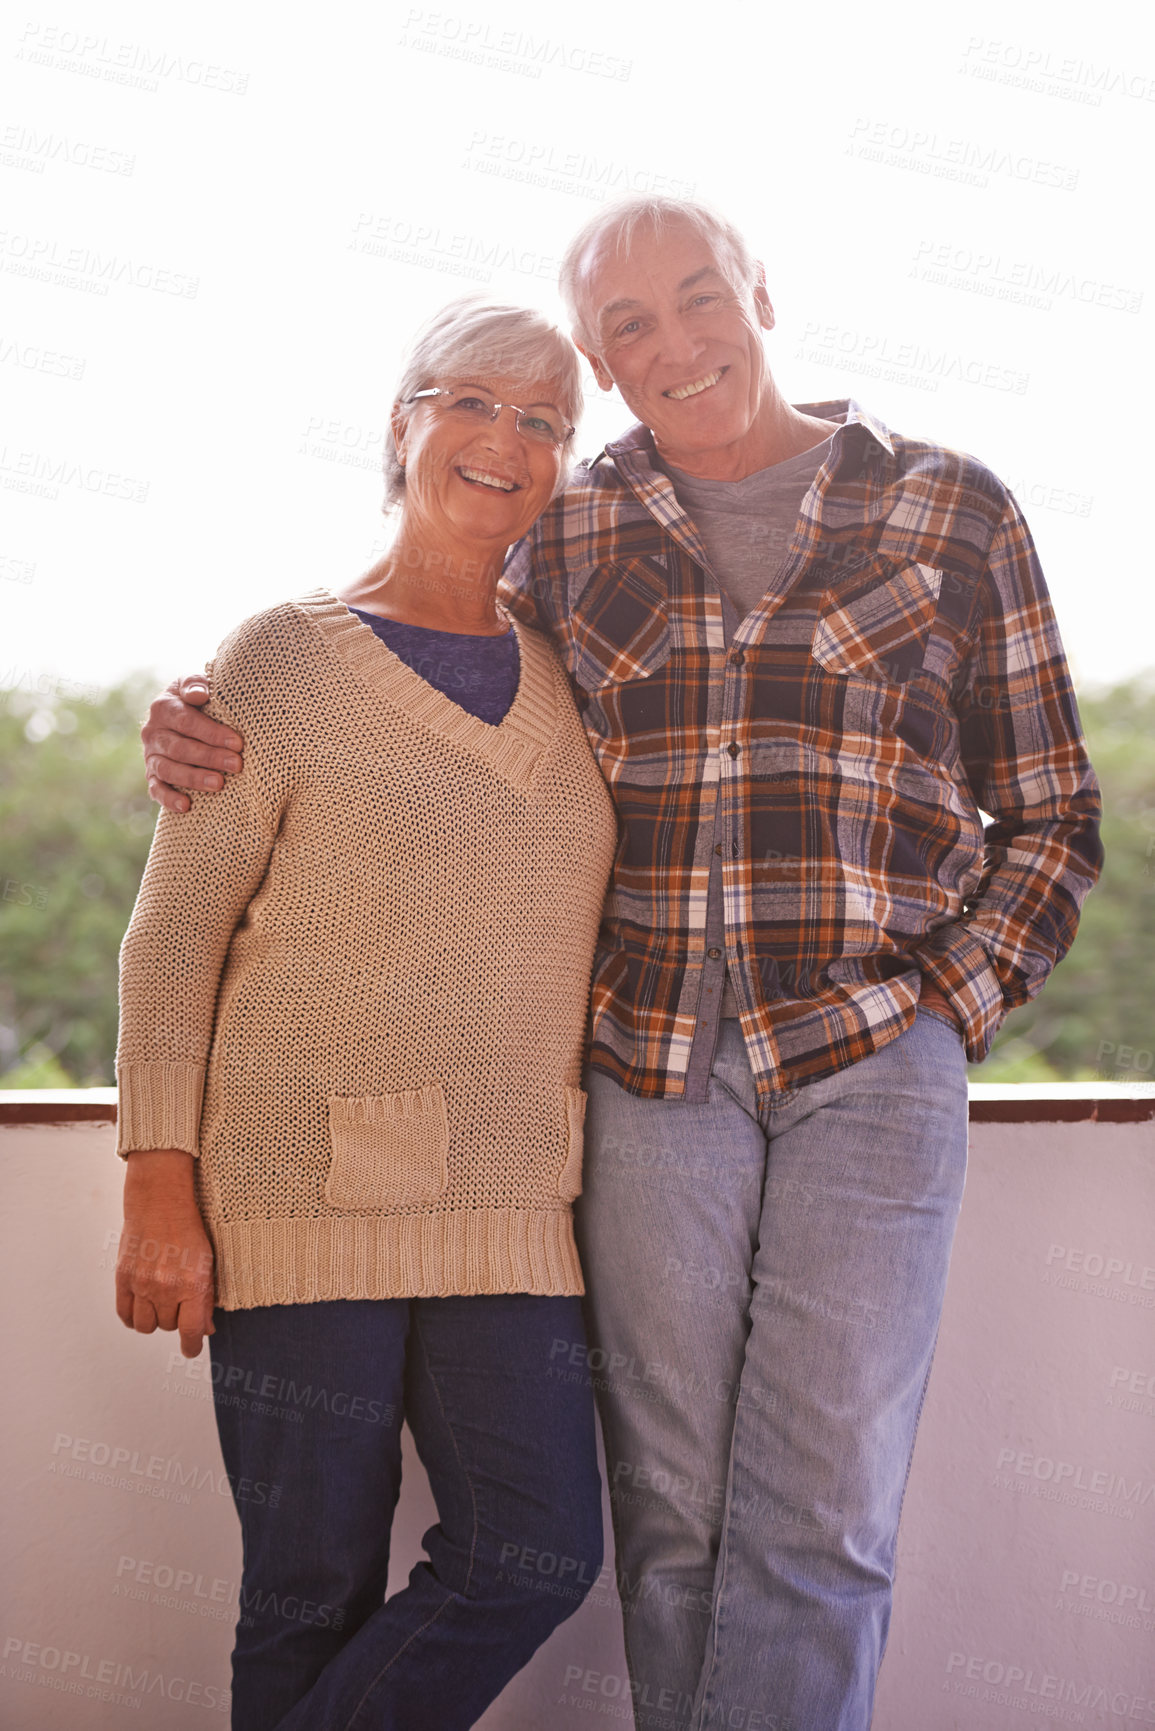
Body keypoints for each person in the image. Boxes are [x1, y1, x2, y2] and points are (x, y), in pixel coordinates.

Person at [142, 198, 1103, 1731]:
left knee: (823, 1515)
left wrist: (947, 1003)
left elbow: (1049, 809)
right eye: (629, 324)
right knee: (662, 1522)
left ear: (761, 293)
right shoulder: (577, 527)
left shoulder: (953, 509)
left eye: (698, 295)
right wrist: (206, 711)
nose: (675, 341)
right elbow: (412, 658)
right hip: (646, 1068)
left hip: (869, 1054)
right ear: (602, 354)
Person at [116, 298, 618, 1731]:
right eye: (475, 401)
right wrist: (160, 1186)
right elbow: (175, 938)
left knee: (534, 1553)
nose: (506, 440)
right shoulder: (281, 656)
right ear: (404, 421)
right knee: (308, 1589)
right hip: (290, 1190)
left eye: (545, 420)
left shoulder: (575, 669)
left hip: (511, 1200)